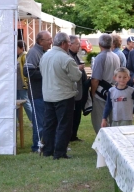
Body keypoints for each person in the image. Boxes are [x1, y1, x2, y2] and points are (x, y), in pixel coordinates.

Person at [39, 32, 82, 160]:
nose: (69, 44)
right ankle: (60, 152)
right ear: (63, 44)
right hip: (63, 95)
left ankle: (48, 150)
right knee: (64, 125)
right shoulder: (66, 59)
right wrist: (78, 70)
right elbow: (76, 76)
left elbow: (42, 72)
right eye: (69, 42)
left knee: (49, 124)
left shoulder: (45, 56)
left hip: (48, 94)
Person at [24, 31, 52, 153]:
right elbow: (27, 72)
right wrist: (47, 73)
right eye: (49, 39)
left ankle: (44, 144)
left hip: (44, 93)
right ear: (40, 41)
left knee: (45, 121)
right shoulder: (33, 52)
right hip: (37, 94)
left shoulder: (44, 52)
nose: (51, 42)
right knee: (39, 122)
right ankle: (36, 146)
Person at [90, 34, 120, 135]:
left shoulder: (100, 57)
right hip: (113, 92)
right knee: (112, 120)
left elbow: (95, 79)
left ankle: (103, 141)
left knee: (99, 121)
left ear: (99, 44)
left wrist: (92, 94)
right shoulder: (116, 56)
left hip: (101, 95)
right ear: (111, 44)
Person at [67, 35, 88, 142]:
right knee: (72, 115)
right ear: (70, 44)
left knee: (77, 115)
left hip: (79, 90)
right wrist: (78, 68)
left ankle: (74, 135)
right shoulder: (67, 56)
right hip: (72, 91)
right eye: (77, 44)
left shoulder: (76, 55)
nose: (79, 46)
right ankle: (70, 136)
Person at [16, 40, 33, 123]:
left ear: (22, 48)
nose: (15, 50)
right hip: (17, 85)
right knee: (16, 103)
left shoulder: (24, 56)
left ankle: (33, 120)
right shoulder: (19, 57)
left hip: (22, 84)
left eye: (17, 48)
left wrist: (26, 82)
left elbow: (26, 71)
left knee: (26, 102)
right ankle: (18, 122)